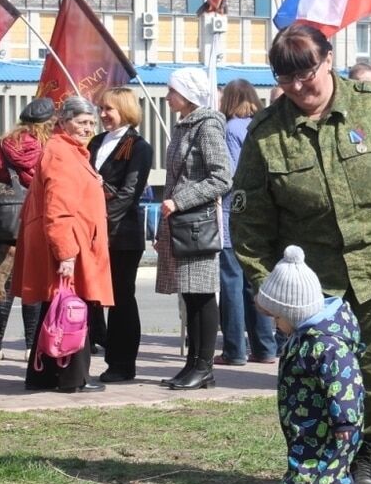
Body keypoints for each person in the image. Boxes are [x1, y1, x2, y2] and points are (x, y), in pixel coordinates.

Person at [231, 24, 371, 484]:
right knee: (317, 382)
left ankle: (364, 456)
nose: (297, 88)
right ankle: (317, 464)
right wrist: (268, 290)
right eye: (284, 79)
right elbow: (250, 223)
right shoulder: (267, 135)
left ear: (328, 59)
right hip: (313, 289)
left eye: (305, 74)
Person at [257, 246, 364, 484]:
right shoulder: (306, 335)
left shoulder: (326, 344)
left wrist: (345, 419)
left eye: (278, 317)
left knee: (308, 465)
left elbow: (345, 385)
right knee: (335, 467)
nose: (275, 324)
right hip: (317, 419)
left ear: (294, 312)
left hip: (321, 423)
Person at [13, 96, 113, 393]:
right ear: (64, 122)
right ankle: (73, 378)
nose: (88, 128)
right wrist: (66, 253)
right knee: (72, 307)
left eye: (91, 123)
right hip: (71, 242)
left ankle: (42, 376)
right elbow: (59, 209)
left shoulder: (66, 150)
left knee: (54, 307)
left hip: (73, 239)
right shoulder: (62, 154)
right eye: (82, 122)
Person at [155, 67, 233, 390]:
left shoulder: (207, 125)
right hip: (182, 223)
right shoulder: (184, 125)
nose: (167, 96)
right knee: (190, 295)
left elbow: (222, 177)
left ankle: (204, 366)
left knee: (202, 295)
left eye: (172, 90)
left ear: (187, 94)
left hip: (198, 224)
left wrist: (180, 200)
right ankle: (192, 365)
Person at [0, 98, 54, 362]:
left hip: (3, 228)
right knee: (32, 286)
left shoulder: (2, 147)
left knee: (2, 289)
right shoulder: (48, 148)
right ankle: (31, 346)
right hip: (34, 225)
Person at [88, 87, 153, 383]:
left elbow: (130, 192)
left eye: (108, 109)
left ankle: (123, 363)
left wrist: (103, 219)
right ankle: (95, 344)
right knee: (94, 296)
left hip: (122, 234)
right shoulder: (97, 141)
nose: (102, 115)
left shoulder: (137, 146)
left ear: (125, 110)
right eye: (101, 109)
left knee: (121, 298)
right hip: (93, 230)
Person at [215, 79, 277, 366]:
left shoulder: (230, 129)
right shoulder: (262, 126)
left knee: (232, 283)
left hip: (232, 213)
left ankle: (234, 349)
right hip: (262, 213)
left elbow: (230, 174)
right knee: (256, 282)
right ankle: (265, 347)